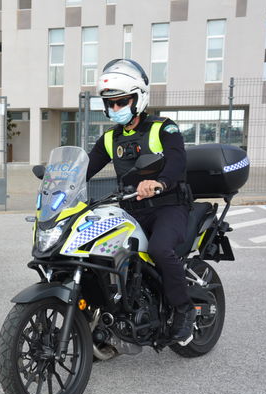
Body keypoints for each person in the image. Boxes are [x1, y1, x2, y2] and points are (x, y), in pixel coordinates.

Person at [86, 59, 195, 342]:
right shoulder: (110, 138)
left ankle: (185, 309)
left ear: (139, 98)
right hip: (132, 210)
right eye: (110, 103)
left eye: (122, 102)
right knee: (97, 251)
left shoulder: (163, 128)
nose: (115, 109)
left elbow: (177, 162)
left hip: (168, 206)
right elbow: (85, 167)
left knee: (160, 249)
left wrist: (159, 182)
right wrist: (56, 178)